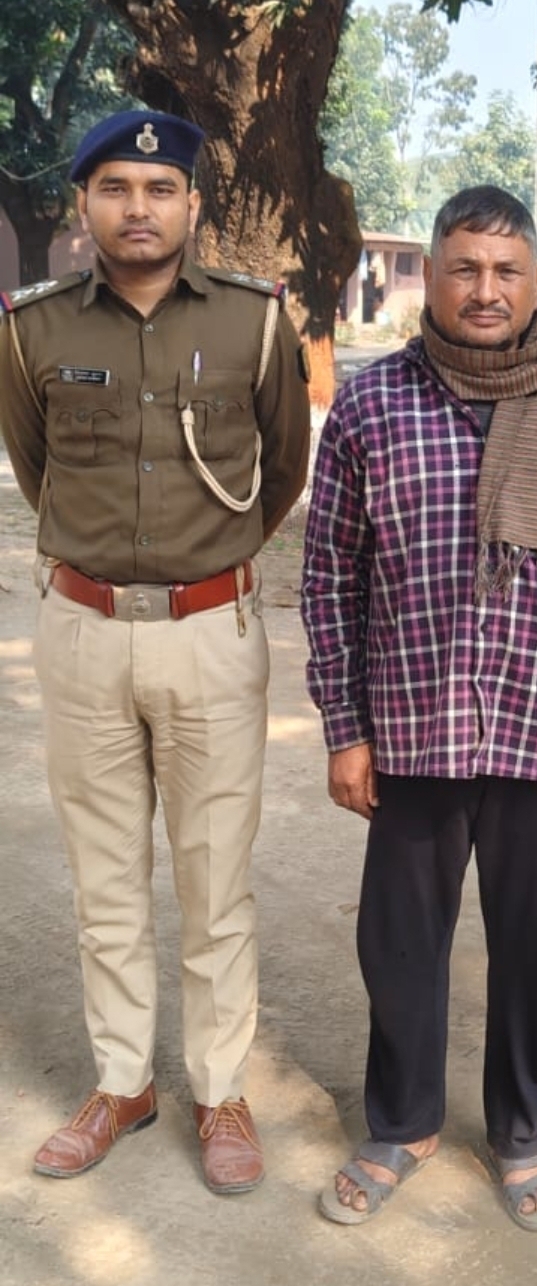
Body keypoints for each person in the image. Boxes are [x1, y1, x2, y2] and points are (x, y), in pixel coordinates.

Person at [301, 185, 537, 1231]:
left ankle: (518, 1128)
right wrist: (345, 728)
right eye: (464, 268)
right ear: (434, 275)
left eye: (506, 271)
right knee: (400, 941)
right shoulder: (370, 408)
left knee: (533, 944)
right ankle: (404, 1120)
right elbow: (328, 579)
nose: (485, 290)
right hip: (412, 728)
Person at [0, 110, 311, 1194]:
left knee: (214, 881)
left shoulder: (252, 322)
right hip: (82, 633)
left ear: (192, 205)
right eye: (116, 188)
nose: (139, 208)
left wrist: (204, 563)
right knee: (105, 878)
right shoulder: (32, 330)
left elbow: (280, 470)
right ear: (84, 204)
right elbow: (35, 469)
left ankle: (220, 1090)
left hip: (210, 637)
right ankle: (122, 1081)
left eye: (160, 188)